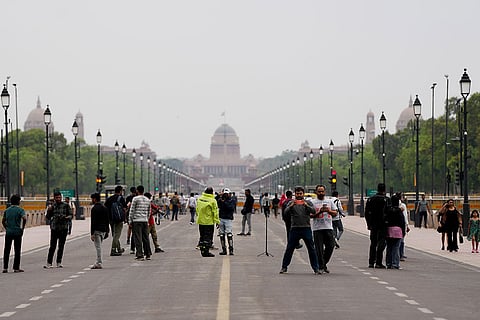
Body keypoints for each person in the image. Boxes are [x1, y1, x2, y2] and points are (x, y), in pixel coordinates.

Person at [279, 186, 320, 275]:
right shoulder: (291, 202)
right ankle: (284, 267)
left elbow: (313, 211)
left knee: (311, 249)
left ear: (303, 194)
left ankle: (316, 268)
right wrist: (290, 206)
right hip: (295, 228)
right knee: (289, 248)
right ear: (295, 194)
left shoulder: (308, 202)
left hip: (306, 228)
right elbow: (285, 213)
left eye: (300, 193)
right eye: (297, 194)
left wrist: (306, 205)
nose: (299, 195)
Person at [311, 185, 338, 274]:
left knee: (331, 246)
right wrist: (320, 212)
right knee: (319, 249)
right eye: (319, 191)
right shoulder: (313, 202)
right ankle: (321, 267)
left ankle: (323, 263)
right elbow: (310, 215)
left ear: (325, 192)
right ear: (316, 192)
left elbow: (335, 213)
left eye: (322, 191)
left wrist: (328, 211)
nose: (321, 193)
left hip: (328, 227)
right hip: (317, 228)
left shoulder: (329, 201)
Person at [44, 192, 73, 268]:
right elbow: (48, 217)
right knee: (52, 246)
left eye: (59, 197)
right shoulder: (52, 206)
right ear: (54, 198)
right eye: (57, 197)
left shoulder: (66, 205)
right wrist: (49, 210)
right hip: (54, 228)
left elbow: (71, 215)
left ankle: (59, 262)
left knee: (61, 246)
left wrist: (66, 217)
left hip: (63, 228)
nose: (58, 199)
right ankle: (49, 262)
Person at [365, 183, 390, 269]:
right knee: (381, 243)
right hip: (383, 224)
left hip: (373, 224)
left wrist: (368, 224)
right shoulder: (386, 200)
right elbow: (389, 213)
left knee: (373, 243)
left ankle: (371, 262)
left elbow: (366, 213)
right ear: (384, 190)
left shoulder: (371, 199)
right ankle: (379, 262)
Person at [2, 194, 27, 273]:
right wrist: (22, 228)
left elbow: (3, 221)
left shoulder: (7, 210)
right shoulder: (20, 210)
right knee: (17, 249)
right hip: (17, 232)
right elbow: (24, 218)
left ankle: (5, 268)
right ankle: (16, 267)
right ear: (18, 201)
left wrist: (7, 228)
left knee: (7, 249)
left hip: (9, 232)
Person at [129, 185, 152, 261]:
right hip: (145, 220)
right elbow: (149, 211)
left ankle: (140, 254)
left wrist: (130, 221)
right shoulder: (147, 200)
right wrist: (147, 219)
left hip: (137, 220)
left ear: (137, 191)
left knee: (138, 238)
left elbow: (132, 211)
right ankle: (148, 254)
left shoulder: (135, 199)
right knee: (146, 238)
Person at [196, 187, 220, 257]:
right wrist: (217, 221)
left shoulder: (200, 199)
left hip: (201, 221)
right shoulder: (212, 200)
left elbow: (197, 209)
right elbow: (215, 212)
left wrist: (199, 216)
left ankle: (202, 250)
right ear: (212, 192)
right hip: (209, 222)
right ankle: (206, 252)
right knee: (208, 237)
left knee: (202, 236)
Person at [385, 195, 406, 269]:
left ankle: (388, 263)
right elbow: (402, 222)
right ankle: (395, 264)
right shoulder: (399, 211)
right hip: (398, 231)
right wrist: (403, 232)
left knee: (389, 247)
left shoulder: (388, 210)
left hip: (389, 230)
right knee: (396, 248)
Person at [105, 185, 127, 256]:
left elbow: (105, 208)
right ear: (120, 191)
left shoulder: (109, 199)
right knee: (117, 235)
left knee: (114, 234)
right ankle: (113, 250)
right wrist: (125, 218)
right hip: (119, 219)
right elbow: (124, 209)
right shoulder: (121, 198)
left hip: (111, 219)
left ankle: (119, 249)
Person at [90, 193, 110, 269]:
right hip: (103, 229)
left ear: (94, 199)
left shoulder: (94, 209)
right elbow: (107, 220)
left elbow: (93, 221)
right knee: (99, 246)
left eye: (92, 199)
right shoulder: (105, 208)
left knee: (98, 247)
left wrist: (92, 233)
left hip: (97, 230)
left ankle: (99, 262)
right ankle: (98, 261)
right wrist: (107, 230)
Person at [217, 188, 235, 255]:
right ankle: (224, 250)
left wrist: (224, 202)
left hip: (228, 219)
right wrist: (219, 196)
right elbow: (216, 203)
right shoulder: (220, 200)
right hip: (221, 218)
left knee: (229, 234)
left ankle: (231, 250)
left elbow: (231, 208)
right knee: (221, 234)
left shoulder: (231, 200)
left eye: (226, 194)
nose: (225, 195)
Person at [397, 193, 410, 261]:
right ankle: (400, 254)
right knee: (401, 240)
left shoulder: (391, 205)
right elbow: (405, 217)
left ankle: (396, 254)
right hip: (402, 225)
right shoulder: (402, 205)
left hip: (394, 225)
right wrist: (407, 225)